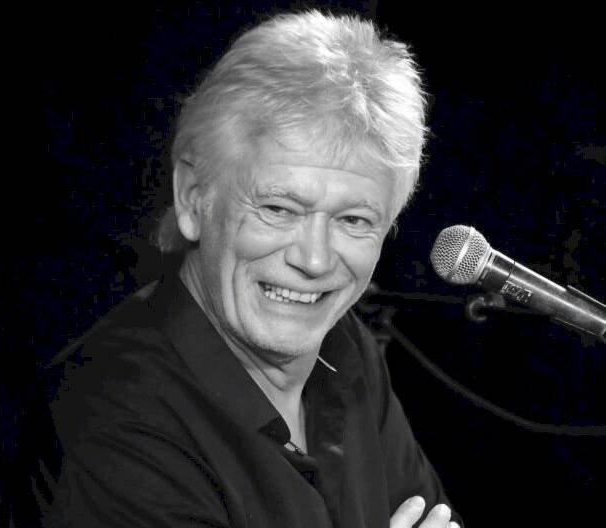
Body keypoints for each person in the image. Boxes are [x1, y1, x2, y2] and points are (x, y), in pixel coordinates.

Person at [38, 10, 463, 528]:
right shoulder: (110, 418)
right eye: (279, 209)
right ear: (193, 198)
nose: (314, 260)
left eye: (353, 220)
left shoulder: (346, 347)